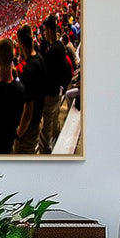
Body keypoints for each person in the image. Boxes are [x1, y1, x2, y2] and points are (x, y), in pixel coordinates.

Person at [39, 15, 71, 154]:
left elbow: (45, 73)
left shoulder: (53, 50)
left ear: (51, 30)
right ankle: (57, 140)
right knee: (55, 121)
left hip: (50, 94)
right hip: (57, 92)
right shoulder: (59, 47)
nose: (44, 34)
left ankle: (46, 156)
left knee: (45, 131)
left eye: (45, 31)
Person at [13, 24, 47, 154]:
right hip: (38, 119)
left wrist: (19, 133)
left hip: (29, 128)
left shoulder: (28, 70)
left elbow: (28, 110)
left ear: (20, 43)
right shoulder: (40, 58)